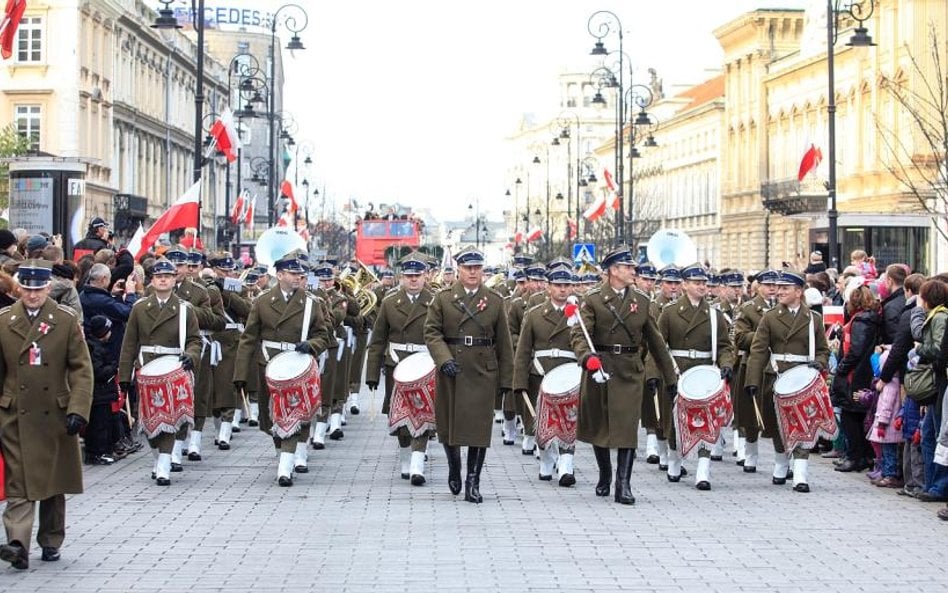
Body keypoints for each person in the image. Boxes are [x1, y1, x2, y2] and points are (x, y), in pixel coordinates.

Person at [0, 260, 93, 569]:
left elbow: (81, 369)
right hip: (15, 413)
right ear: (18, 289)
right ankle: (17, 543)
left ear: (48, 288)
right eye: (27, 288)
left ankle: (51, 539)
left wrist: (78, 410)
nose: (32, 294)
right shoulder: (4, 320)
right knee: (19, 481)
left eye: (38, 288)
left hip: (55, 411)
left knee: (53, 482)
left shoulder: (64, 320)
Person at [571, 247, 677, 505]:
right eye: (628, 267)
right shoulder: (593, 299)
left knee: (627, 428)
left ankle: (624, 484)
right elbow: (579, 335)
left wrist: (671, 378)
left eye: (633, 267)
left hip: (630, 370)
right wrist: (587, 359)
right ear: (613, 271)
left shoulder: (641, 301)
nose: (633, 271)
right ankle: (605, 474)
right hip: (601, 367)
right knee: (601, 425)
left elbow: (656, 341)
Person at [424, 245, 513, 503]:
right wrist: (444, 359)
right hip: (453, 369)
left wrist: (507, 381)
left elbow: (505, 344)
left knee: (478, 430)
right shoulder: (443, 298)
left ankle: (473, 481)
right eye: (467, 268)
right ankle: (454, 467)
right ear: (459, 269)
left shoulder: (495, 301)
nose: (473, 273)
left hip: (482, 371)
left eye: (477, 268)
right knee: (449, 426)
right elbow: (431, 332)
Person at [234, 254, 330, 486]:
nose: (298, 277)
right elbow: (249, 338)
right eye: (293, 273)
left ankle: (285, 467)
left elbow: (324, 334)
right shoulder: (262, 301)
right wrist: (240, 374)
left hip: (298, 367)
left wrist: (312, 346)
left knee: (294, 416)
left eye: (300, 274)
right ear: (279, 275)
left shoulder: (310, 303)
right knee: (271, 419)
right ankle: (283, 455)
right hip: (269, 365)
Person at [118, 259, 202, 486]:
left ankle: (164, 464)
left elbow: (195, 340)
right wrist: (124, 376)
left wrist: (191, 356)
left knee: (171, 418)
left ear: (175, 280)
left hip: (174, 368)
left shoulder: (185, 309)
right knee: (149, 420)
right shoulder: (139, 309)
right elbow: (129, 344)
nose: (163, 280)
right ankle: (157, 456)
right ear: (151, 281)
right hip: (147, 369)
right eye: (158, 277)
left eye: (167, 276)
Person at [745, 270, 830, 493]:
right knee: (778, 424)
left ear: (799, 292)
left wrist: (820, 363)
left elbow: (823, 349)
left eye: (785, 288)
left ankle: (801, 472)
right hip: (777, 375)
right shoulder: (770, 317)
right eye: (779, 288)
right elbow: (759, 350)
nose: (779, 291)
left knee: (802, 423)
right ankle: (781, 461)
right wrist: (752, 379)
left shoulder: (813, 319)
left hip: (803, 377)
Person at [658, 264, 735, 490]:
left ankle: (703, 468)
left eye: (704, 283)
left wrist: (726, 364)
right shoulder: (669, 312)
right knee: (675, 420)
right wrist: (659, 374)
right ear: (685, 285)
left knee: (706, 421)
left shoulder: (714, 315)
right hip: (677, 370)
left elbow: (724, 346)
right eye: (696, 282)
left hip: (704, 372)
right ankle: (674, 458)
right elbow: (660, 346)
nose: (702, 286)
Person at [365, 252, 435, 485]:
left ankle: (417, 462)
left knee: (423, 414)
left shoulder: (435, 302)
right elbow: (378, 340)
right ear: (401, 277)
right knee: (400, 415)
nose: (413, 280)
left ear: (425, 276)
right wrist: (372, 373)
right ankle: (406, 455)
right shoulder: (389, 302)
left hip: (425, 365)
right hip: (397, 364)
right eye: (409, 276)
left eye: (417, 275)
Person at [513, 266, 580, 485]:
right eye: (558, 285)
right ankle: (545, 459)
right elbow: (523, 350)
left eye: (566, 286)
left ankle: (566, 466)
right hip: (540, 373)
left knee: (568, 420)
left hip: (568, 373)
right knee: (541, 420)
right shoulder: (534, 314)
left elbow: (587, 344)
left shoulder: (579, 313)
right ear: (549, 287)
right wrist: (519, 381)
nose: (562, 290)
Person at [732, 270, 779, 472]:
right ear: (758, 286)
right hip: (753, 364)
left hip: (776, 364)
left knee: (775, 412)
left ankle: (783, 458)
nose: (772, 289)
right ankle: (750, 451)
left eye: (775, 285)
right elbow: (740, 338)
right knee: (750, 412)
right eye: (767, 285)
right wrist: (763, 336)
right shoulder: (749, 308)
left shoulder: (782, 308)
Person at [831, 285, 880, 473]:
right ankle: (863, 456)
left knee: (850, 415)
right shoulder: (871, 319)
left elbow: (855, 350)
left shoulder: (861, 321)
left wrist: (842, 368)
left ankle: (854, 457)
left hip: (855, 374)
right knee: (859, 415)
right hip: (862, 372)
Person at [913, 279, 948, 503]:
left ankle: (938, 486)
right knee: (930, 434)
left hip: (940, 381)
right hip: (937, 381)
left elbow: (938, 349)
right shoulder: (936, 315)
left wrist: (920, 351)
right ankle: (932, 484)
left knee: (939, 435)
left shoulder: (940, 317)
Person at [85, 315, 120, 465]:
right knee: (98, 425)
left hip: (104, 393)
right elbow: (98, 372)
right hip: (99, 393)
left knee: (104, 423)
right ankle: (96, 453)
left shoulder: (100, 348)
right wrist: (113, 367)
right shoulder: (95, 349)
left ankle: (103, 450)